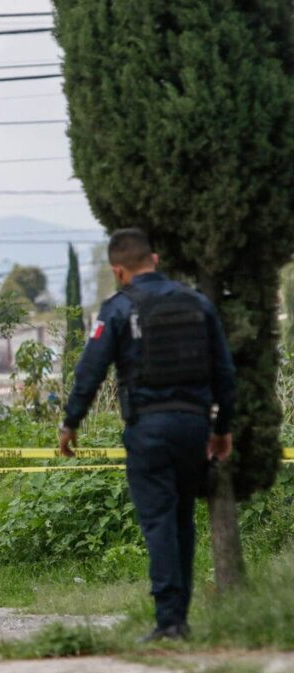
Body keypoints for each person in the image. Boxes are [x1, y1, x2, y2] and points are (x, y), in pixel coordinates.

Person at [58, 228, 235, 641]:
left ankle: (169, 622)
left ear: (118, 271)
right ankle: (179, 618)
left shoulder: (119, 308)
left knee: (159, 522)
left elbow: (91, 370)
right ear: (154, 260)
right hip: (194, 428)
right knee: (182, 519)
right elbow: (224, 372)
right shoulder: (198, 303)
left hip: (149, 430)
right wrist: (222, 429)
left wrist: (71, 422)